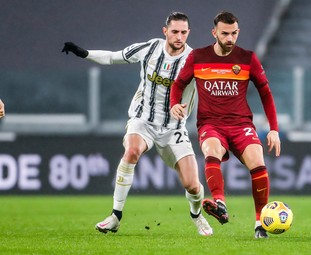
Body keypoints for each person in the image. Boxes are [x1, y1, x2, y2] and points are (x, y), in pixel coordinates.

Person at [62, 12, 213, 236]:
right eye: (174, 32)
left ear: (188, 33)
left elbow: (212, 86)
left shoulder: (195, 60)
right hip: (143, 120)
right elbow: (113, 57)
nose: (179, 36)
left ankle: (197, 215)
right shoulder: (150, 49)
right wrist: (83, 53)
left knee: (193, 186)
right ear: (165, 32)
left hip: (174, 129)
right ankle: (115, 216)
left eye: (183, 32)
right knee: (132, 151)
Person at [170, 11, 281, 239]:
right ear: (215, 33)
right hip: (210, 124)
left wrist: (274, 129)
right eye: (225, 34)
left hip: (241, 124)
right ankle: (220, 203)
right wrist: (174, 104)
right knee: (212, 150)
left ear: (237, 32)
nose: (230, 39)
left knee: (258, 161)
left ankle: (260, 223)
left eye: (234, 34)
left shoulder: (248, 58)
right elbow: (178, 84)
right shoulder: (198, 57)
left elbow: (266, 94)